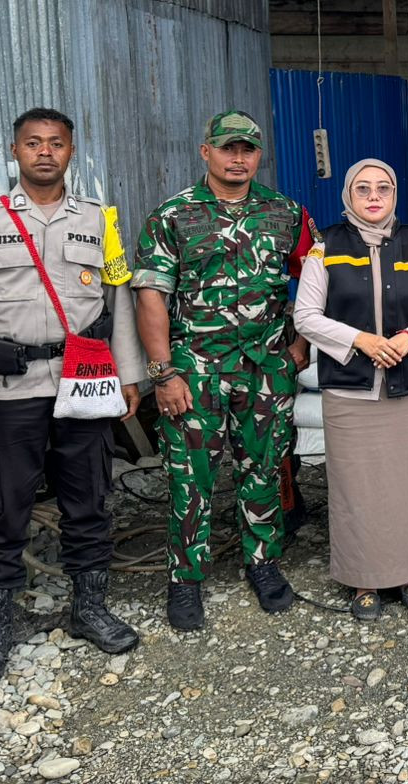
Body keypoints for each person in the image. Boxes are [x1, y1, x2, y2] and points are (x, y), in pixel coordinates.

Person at [0, 108, 143, 683]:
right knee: (5, 505)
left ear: (72, 150)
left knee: (89, 497)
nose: (45, 152)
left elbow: (118, 300)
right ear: (15, 151)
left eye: (56, 143)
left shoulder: (100, 220)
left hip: (84, 383)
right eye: (33, 143)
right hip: (9, 389)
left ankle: (89, 609)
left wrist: (128, 375)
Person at [132, 110, 316, 631]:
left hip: (265, 367)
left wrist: (300, 345)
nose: (238, 158)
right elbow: (151, 297)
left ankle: (263, 563)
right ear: (206, 151)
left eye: (247, 149)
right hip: (195, 371)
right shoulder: (173, 215)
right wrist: (163, 374)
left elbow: (317, 280)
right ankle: (186, 578)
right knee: (190, 476)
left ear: (259, 156)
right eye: (228, 148)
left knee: (265, 468)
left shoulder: (286, 214)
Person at [294, 159, 408, 619]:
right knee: (355, 487)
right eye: (362, 189)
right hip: (351, 390)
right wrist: (359, 340)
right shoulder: (325, 247)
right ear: (348, 195)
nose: (374, 196)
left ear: (395, 194)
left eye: (383, 188)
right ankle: (362, 578)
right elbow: (305, 316)